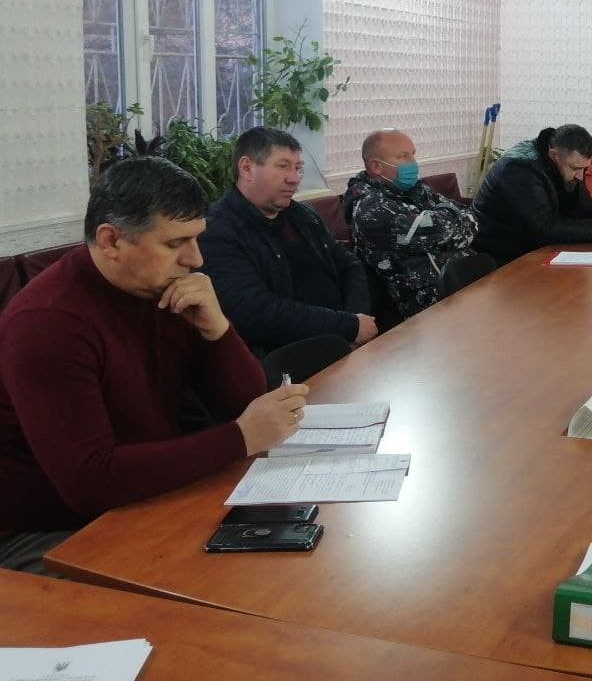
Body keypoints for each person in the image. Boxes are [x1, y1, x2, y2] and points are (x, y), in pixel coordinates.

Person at [0, 158, 307, 573]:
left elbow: (246, 403)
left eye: (197, 239)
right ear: (111, 240)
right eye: (175, 243)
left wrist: (218, 330)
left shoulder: (161, 290)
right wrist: (238, 438)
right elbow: (91, 483)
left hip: (142, 493)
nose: (195, 259)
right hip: (44, 529)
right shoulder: (48, 322)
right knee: (215, 584)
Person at [201, 127, 376, 357]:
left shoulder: (303, 215)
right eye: (283, 166)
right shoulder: (217, 231)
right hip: (288, 360)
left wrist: (356, 321)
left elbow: (348, 264)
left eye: (297, 168)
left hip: (346, 343)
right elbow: (255, 311)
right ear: (246, 168)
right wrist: (348, 326)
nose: (294, 179)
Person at [342, 129, 479, 321]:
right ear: (376, 166)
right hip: (430, 306)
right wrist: (452, 225)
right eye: (403, 156)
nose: (413, 163)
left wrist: (448, 226)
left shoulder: (414, 189)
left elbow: (471, 218)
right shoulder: (372, 209)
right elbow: (445, 230)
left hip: (463, 283)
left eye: (413, 154)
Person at [471, 124, 592, 265]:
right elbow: (543, 229)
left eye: (584, 169)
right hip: (500, 255)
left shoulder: (565, 162)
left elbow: (583, 207)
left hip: (534, 250)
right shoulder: (520, 169)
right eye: (575, 169)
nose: (580, 176)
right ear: (554, 155)